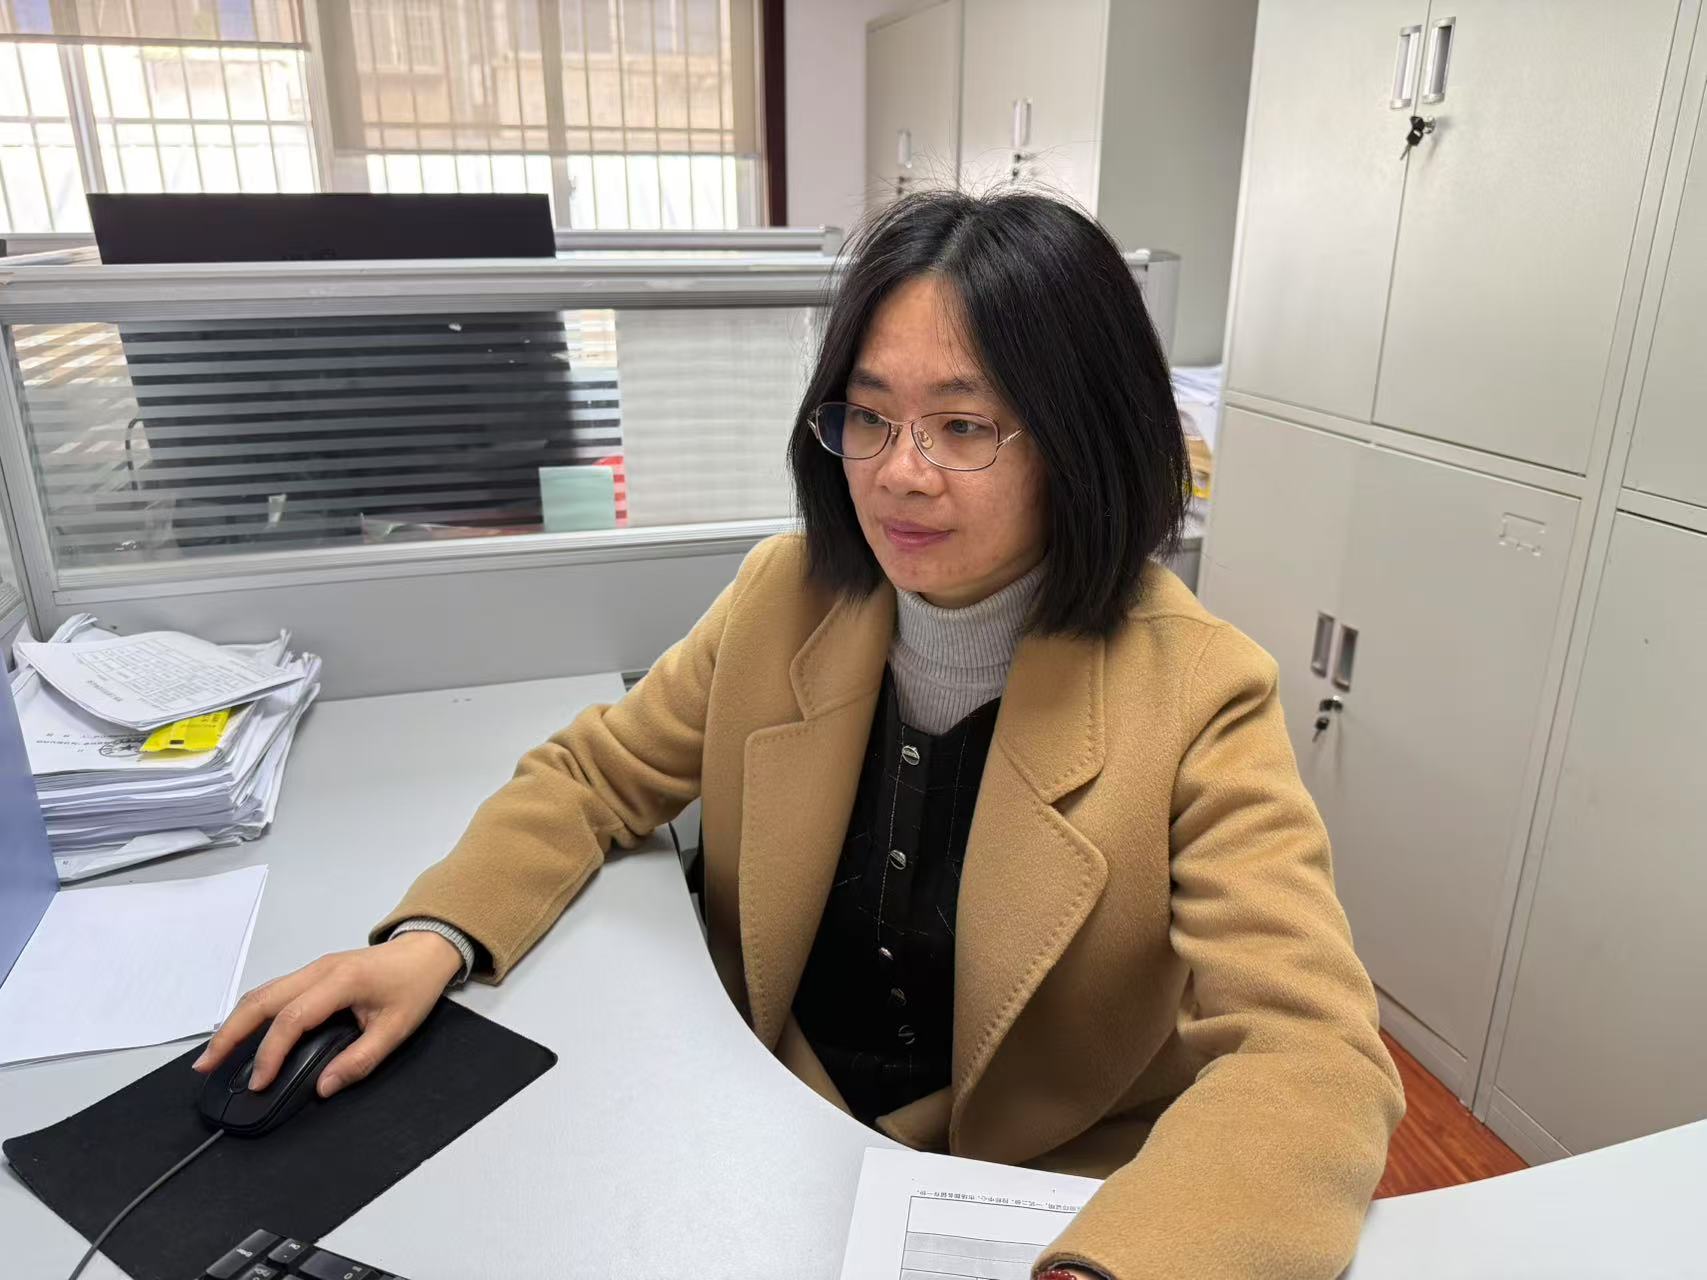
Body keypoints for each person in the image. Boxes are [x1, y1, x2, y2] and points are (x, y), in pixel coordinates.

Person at [196, 189, 1404, 1279]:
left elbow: (1313, 1055)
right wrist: (435, 936)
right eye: (869, 416)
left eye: (964, 426)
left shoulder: (1199, 692)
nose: (900, 473)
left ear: (1081, 441)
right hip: (765, 1133)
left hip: (1023, 1198)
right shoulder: (786, 594)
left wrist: (1112, 1268)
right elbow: (597, 774)